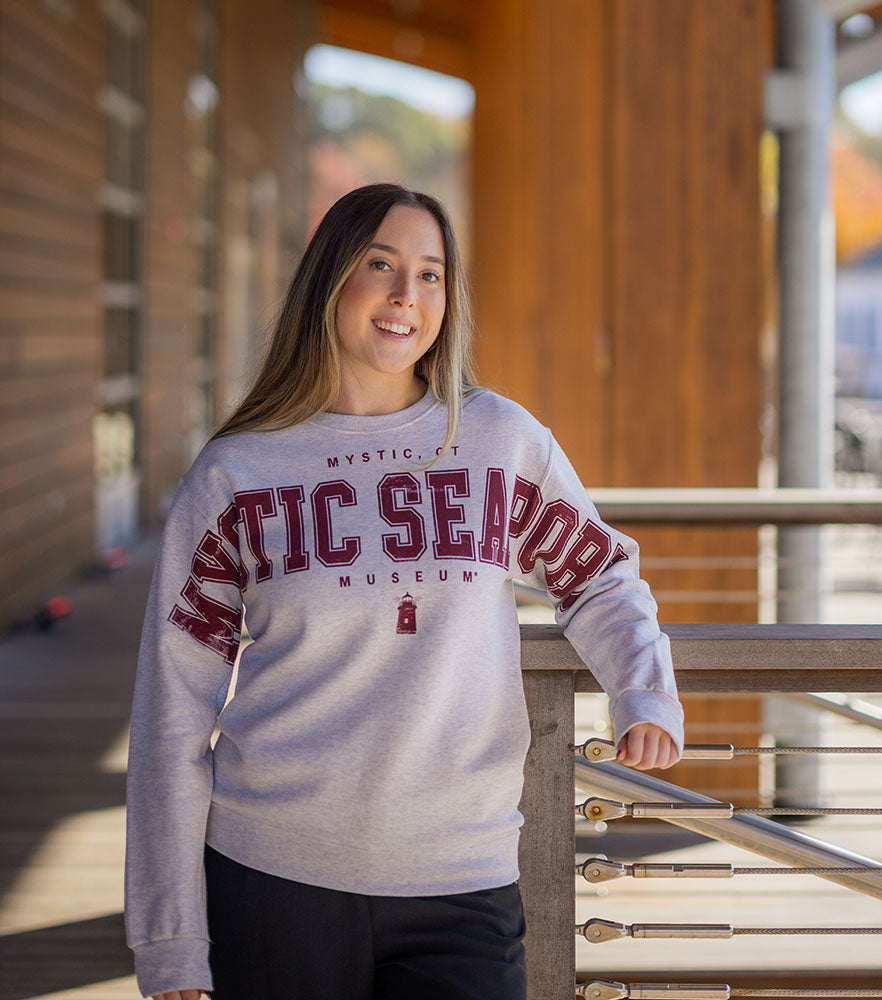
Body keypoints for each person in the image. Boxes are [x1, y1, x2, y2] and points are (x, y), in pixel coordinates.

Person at [125, 183, 685, 1000]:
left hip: (462, 876)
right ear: (329, 282)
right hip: (272, 876)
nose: (404, 297)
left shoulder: (497, 442)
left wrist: (642, 689)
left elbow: (598, 575)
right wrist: (171, 940)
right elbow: (171, 709)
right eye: (380, 265)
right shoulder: (237, 475)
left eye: (431, 275)